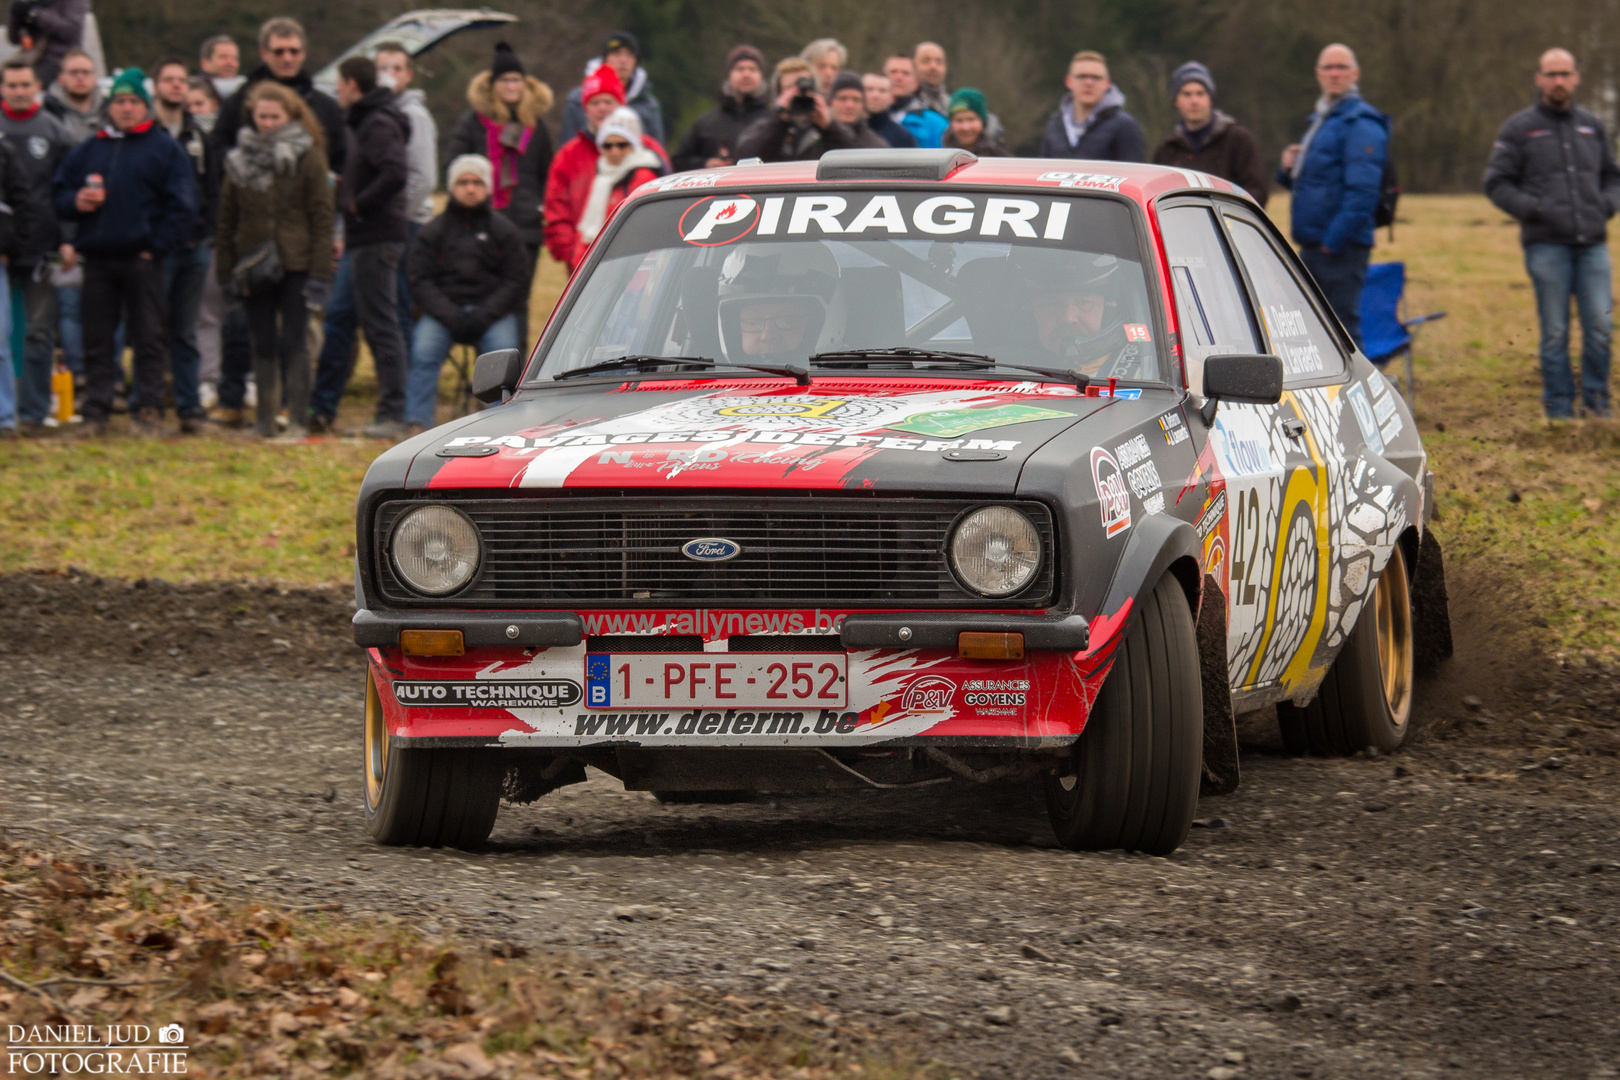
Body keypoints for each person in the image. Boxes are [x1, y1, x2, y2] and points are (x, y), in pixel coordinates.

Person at [52, 67, 197, 436]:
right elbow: (59, 194)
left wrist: (156, 247)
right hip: (98, 259)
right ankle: (97, 411)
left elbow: (182, 206)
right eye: (119, 101)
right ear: (109, 106)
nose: (126, 108)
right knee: (96, 339)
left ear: (145, 106)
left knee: (147, 337)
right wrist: (76, 202)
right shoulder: (91, 147)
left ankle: (148, 409)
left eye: (133, 101)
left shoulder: (164, 148)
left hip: (142, 259)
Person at [1485, 47, 1620, 420]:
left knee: (1600, 327)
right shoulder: (1519, 129)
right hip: (1546, 247)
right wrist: (1535, 210)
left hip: (1592, 245)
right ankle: (1559, 409)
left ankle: (1598, 405)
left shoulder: (1592, 126)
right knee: (1555, 331)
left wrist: (1606, 205)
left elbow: (1612, 175)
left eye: (1565, 74)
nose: (1558, 81)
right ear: (1539, 79)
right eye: (1551, 74)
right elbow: (1496, 183)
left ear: (1576, 77)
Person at [215, 82, 333, 438]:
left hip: (298, 261)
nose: (267, 123)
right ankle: (264, 421)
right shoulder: (239, 159)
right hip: (252, 262)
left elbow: (322, 215)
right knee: (262, 342)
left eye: (274, 116)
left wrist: (320, 271)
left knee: (295, 342)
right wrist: (226, 269)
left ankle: (296, 419)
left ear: (291, 116)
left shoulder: (308, 155)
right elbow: (226, 218)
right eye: (261, 116)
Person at [404, 154, 531, 432]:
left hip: (493, 314)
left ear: (487, 187)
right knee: (423, 352)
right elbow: (420, 281)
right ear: (452, 187)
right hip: (443, 314)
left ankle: (502, 426)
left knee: (503, 359)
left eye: (476, 182)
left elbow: (516, 281)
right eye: (463, 182)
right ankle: (417, 422)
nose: (470, 188)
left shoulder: (504, 231)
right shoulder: (432, 232)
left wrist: (484, 315)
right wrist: (451, 315)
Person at [1276, 43, 1388, 351]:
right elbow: (1318, 184)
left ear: (1355, 73)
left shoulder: (1361, 123)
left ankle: (1361, 397)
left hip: (1340, 249)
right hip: (1314, 244)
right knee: (1318, 334)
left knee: (1343, 333)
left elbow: (1363, 194)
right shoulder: (1323, 119)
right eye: (1328, 67)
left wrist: (1331, 244)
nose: (1335, 73)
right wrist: (1289, 170)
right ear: (1318, 74)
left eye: (1342, 67)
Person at [333, 56, 410, 439]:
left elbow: (395, 171)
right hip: (365, 237)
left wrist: (357, 204)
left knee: (381, 324)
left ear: (351, 84)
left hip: (377, 236)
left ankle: (393, 411)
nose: (335, 91)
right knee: (354, 316)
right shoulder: (368, 120)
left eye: (338, 83)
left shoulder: (376, 122)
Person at [0, 57, 71, 435]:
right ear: (2, 88)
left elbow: (65, 193)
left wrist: (68, 240)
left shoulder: (56, 132)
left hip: (42, 248)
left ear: (37, 87)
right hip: (1, 248)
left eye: (25, 85)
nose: (19, 91)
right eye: (12, 85)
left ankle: (33, 411)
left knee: (38, 331)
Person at [544, 65, 668, 272]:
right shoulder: (568, 155)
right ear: (585, 108)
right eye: (595, 102)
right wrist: (571, 252)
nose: (602, 108)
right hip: (581, 260)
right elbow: (556, 210)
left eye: (608, 101)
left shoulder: (648, 150)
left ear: (620, 105)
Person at [151, 56, 219, 433]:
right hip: (156, 250)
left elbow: (213, 192)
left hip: (194, 248)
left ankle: (189, 409)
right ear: (157, 85)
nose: (176, 85)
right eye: (169, 79)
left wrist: (206, 234)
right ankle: (148, 405)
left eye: (182, 80)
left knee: (186, 330)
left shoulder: (199, 139)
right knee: (148, 331)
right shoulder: (146, 135)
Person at [445, 42, 552, 265]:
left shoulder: (536, 126)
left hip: (527, 224)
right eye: (504, 80)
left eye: (515, 80)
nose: (510, 86)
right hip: (482, 221)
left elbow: (547, 173)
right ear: (493, 85)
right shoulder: (474, 122)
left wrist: (538, 207)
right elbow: (454, 165)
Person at [214, 17, 345, 174]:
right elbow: (217, 151)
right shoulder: (238, 103)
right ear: (264, 53)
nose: (287, 58)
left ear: (303, 53)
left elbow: (340, 159)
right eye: (279, 52)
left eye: (293, 51)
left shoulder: (326, 107)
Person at [1151, 61, 1268, 206]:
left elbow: (1257, 191)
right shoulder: (1167, 149)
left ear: (1210, 98)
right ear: (1176, 101)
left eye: (1200, 94)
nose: (1194, 101)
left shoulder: (1238, 139)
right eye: (1186, 94)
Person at [734, 59, 873, 164]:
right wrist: (779, 119)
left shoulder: (831, 128)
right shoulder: (766, 125)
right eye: (790, 88)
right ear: (780, 92)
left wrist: (829, 127)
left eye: (803, 88)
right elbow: (745, 158)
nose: (798, 94)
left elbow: (856, 160)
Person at [671, 45, 770, 171]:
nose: (746, 74)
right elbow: (678, 161)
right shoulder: (705, 123)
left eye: (752, 69)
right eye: (739, 69)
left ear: (761, 76)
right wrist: (705, 165)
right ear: (729, 75)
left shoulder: (775, 122)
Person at [559, 31, 663, 146]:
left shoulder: (648, 104)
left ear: (635, 61)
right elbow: (566, 146)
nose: (623, 60)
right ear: (605, 58)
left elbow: (657, 152)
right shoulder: (577, 99)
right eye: (616, 53)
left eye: (629, 54)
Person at [1042, 50, 1143, 162]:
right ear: (1068, 81)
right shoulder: (1055, 123)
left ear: (1107, 83)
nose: (1088, 83)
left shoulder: (1125, 126)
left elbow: (1133, 175)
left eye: (1096, 77)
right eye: (1082, 76)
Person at [5, 0, 83, 89]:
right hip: (30, 60)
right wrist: (16, 14)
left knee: (24, 82)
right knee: (6, 79)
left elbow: (70, 31)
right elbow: (14, 39)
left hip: (60, 61)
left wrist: (35, 14)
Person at [881, 54, 946, 149]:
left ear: (915, 83)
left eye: (906, 73)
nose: (899, 77)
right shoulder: (867, 121)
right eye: (893, 72)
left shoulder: (936, 123)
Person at [43, 46, 98, 143]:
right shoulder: (48, 113)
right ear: (61, 78)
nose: (80, 77)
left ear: (95, 78)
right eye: (74, 72)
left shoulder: (109, 113)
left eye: (86, 72)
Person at [825, 71, 886, 150]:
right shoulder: (811, 137)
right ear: (830, 102)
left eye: (856, 99)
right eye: (843, 98)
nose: (849, 105)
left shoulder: (876, 147)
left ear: (863, 104)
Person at [942, 87, 1009, 156]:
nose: (965, 127)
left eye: (971, 119)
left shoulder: (1001, 156)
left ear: (983, 121)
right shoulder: (943, 155)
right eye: (959, 120)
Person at [860, 73, 916, 149]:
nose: (875, 95)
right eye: (869, 89)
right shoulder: (847, 132)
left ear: (892, 97)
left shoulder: (903, 137)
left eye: (882, 91)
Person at [199, 34, 243, 101]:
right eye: (223, 57)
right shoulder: (191, 93)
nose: (230, 63)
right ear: (205, 64)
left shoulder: (246, 90)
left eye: (235, 58)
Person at [912, 41, 949, 116]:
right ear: (912, 66)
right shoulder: (906, 106)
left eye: (939, 62)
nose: (933, 67)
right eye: (926, 61)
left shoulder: (951, 105)